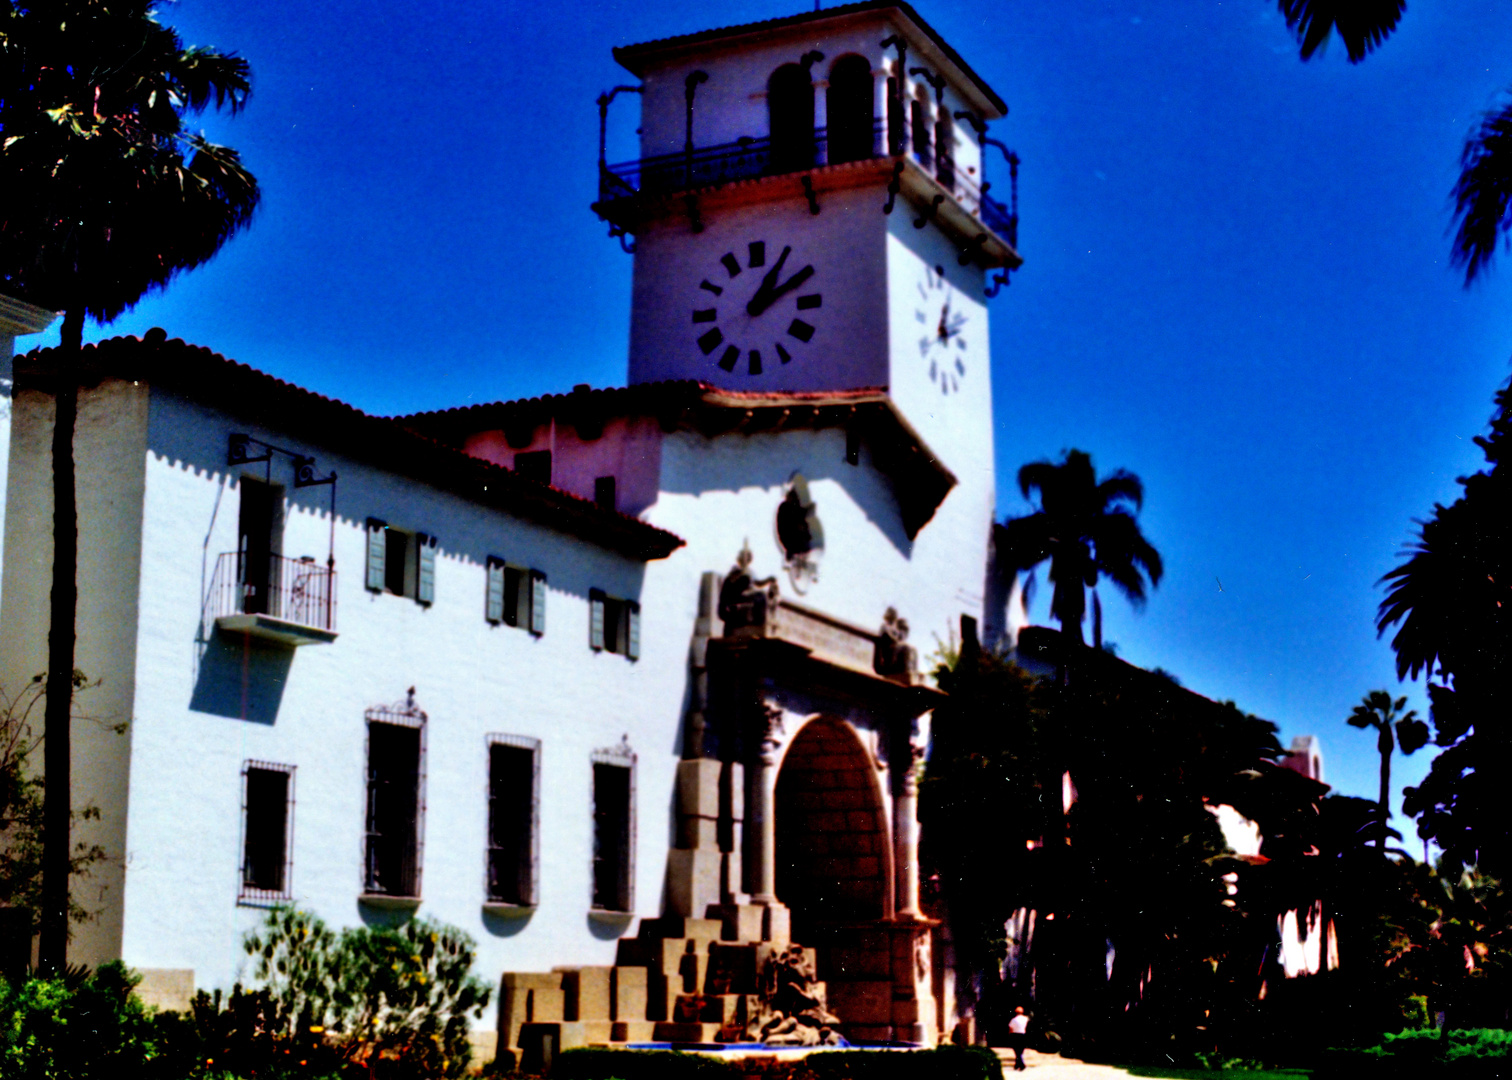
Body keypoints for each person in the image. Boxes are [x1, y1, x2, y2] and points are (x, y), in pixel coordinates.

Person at [1007, 1006, 1030, 1071]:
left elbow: (1010, 1029)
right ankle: (1017, 1065)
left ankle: (1022, 1065)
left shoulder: (1013, 1020)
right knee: (1020, 1051)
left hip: (1015, 1035)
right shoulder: (1026, 1019)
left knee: (1017, 1051)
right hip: (1023, 1035)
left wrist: (1010, 1036)